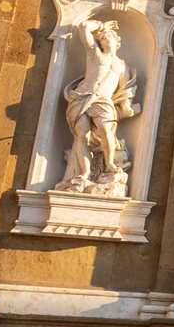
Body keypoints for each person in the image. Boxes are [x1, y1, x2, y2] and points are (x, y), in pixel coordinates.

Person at [58, 18, 139, 196]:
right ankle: (84, 173)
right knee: (81, 136)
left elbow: (125, 91)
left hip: (103, 101)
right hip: (81, 97)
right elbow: (84, 27)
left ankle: (109, 164)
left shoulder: (123, 66)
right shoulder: (95, 54)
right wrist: (101, 26)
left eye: (106, 37)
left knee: (106, 130)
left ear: (117, 41)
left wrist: (127, 107)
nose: (103, 40)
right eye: (101, 38)